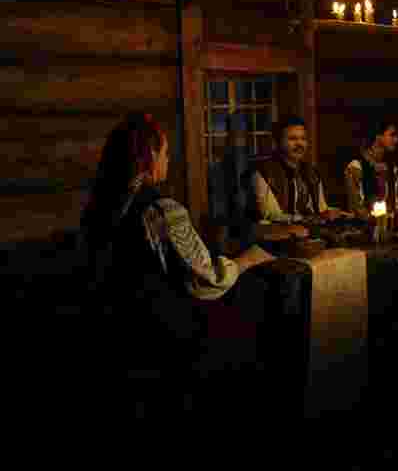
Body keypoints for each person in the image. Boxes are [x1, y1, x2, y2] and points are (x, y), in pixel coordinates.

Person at [80, 112, 275, 418]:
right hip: (158, 341)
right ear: (149, 155)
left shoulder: (99, 207)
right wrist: (249, 259)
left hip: (112, 333)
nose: (168, 160)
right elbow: (207, 280)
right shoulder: (162, 210)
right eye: (166, 152)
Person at [253, 116, 345, 223]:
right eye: (292, 139)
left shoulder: (312, 172)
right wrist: (310, 218)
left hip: (309, 230)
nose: (299, 144)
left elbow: (321, 209)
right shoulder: (263, 172)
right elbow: (271, 215)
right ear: (278, 142)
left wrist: (334, 214)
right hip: (277, 231)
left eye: (303, 139)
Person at [344, 118, 398, 219]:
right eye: (392, 135)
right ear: (378, 136)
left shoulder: (392, 168)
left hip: (388, 223)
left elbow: (396, 205)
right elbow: (357, 209)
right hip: (363, 225)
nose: (396, 140)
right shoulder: (356, 167)